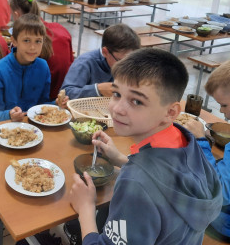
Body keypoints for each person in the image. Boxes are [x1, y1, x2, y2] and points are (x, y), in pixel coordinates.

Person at [69, 48, 222, 245]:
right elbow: (170, 180)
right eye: (116, 93)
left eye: (136, 101)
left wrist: (85, 209)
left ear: (171, 112)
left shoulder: (135, 184)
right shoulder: (187, 140)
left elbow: (144, 184)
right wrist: (120, 159)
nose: (117, 108)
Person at [0, 13, 67, 123]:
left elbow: (42, 106)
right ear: (14, 41)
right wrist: (9, 115)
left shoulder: (43, 67)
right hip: (7, 128)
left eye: (38, 41)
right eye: (26, 40)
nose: (33, 47)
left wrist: (56, 104)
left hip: (35, 127)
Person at [184, 61, 230, 242]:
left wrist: (201, 141)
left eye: (224, 105)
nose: (223, 113)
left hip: (223, 225)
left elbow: (219, 192)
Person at [10, 0, 74, 99]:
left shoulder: (24, 44)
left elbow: (15, 75)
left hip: (39, 100)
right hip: (65, 94)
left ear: (16, 15)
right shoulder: (61, 29)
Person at [61, 23, 140, 99]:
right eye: (120, 61)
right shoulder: (85, 62)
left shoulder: (125, 62)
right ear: (105, 52)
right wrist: (98, 89)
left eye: (129, 61)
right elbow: (66, 92)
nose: (126, 66)